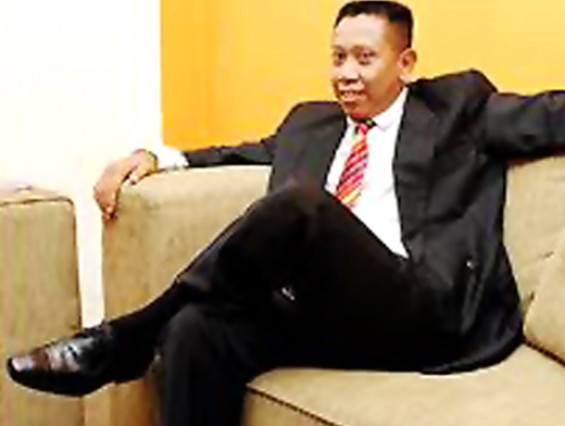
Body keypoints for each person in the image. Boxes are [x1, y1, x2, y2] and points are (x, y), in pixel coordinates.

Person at [6, 1, 565, 425]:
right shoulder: (309, 124)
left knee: (302, 205)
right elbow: (239, 153)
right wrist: (157, 156)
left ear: (407, 63)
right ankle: (151, 331)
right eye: (338, 57)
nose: (346, 73)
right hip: (323, 311)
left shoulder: (459, 107)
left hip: (418, 310)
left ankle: (129, 337)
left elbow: (549, 114)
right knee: (195, 329)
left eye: (365, 58)